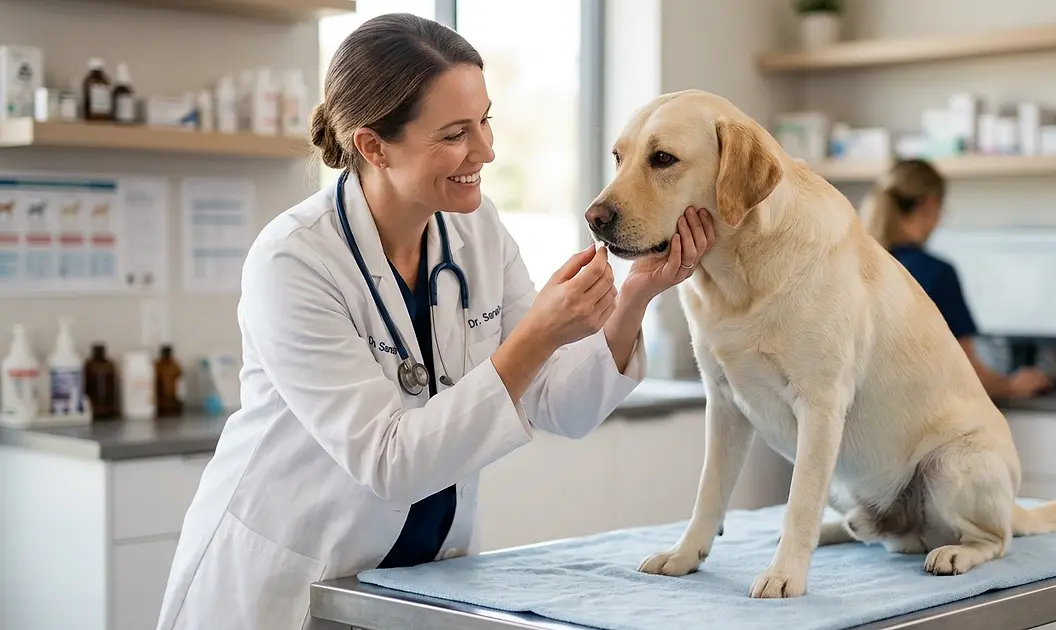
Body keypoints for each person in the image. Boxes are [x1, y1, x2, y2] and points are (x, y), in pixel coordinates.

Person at [154, 13, 715, 630]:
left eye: (485, 121)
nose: (487, 150)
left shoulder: (477, 229)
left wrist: (635, 296)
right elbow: (389, 463)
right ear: (373, 147)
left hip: (415, 589)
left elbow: (563, 405)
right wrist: (538, 334)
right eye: (454, 134)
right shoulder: (293, 260)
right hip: (288, 586)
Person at [860, 158, 1053, 400]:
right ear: (930, 204)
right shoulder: (936, 273)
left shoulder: (857, 265)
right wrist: (1013, 385)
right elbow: (966, 375)